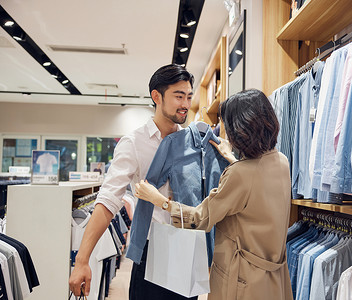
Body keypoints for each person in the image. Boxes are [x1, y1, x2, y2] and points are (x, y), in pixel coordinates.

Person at [135, 89, 294, 300]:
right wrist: (233, 160)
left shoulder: (240, 174)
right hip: (273, 275)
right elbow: (256, 190)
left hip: (241, 279)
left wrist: (160, 201)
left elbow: (200, 219)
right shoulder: (281, 161)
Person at [69, 64, 197, 300]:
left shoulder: (192, 142)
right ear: (156, 96)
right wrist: (82, 260)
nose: (186, 105)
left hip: (187, 251)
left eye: (189, 96)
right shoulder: (134, 143)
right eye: (179, 96)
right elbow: (108, 200)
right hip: (152, 253)